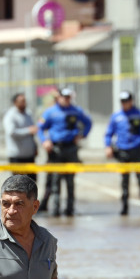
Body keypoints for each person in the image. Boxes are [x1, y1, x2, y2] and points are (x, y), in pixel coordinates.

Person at [37, 88, 92, 216]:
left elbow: (88, 123)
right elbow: (40, 128)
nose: (66, 99)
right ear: (59, 97)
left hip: (71, 148)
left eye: (68, 97)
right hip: (56, 149)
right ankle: (55, 209)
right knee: (55, 180)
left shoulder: (76, 111)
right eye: (64, 97)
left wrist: (82, 134)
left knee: (70, 180)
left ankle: (70, 208)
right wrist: (44, 141)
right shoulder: (50, 112)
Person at [104, 91, 140, 216]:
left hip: (138, 151)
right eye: (122, 101)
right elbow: (109, 133)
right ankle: (124, 207)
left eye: (127, 101)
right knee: (124, 182)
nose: (125, 104)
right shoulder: (116, 116)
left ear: (132, 101)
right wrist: (108, 146)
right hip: (123, 152)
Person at [3, 93, 39, 181]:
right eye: (21, 101)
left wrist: (35, 147)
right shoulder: (10, 115)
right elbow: (11, 132)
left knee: (31, 182)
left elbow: (32, 132)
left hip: (29, 155)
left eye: (25, 101)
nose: (24, 103)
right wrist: (28, 130)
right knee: (18, 183)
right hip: (17, 156)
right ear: (15, 102)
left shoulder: (28, 114)